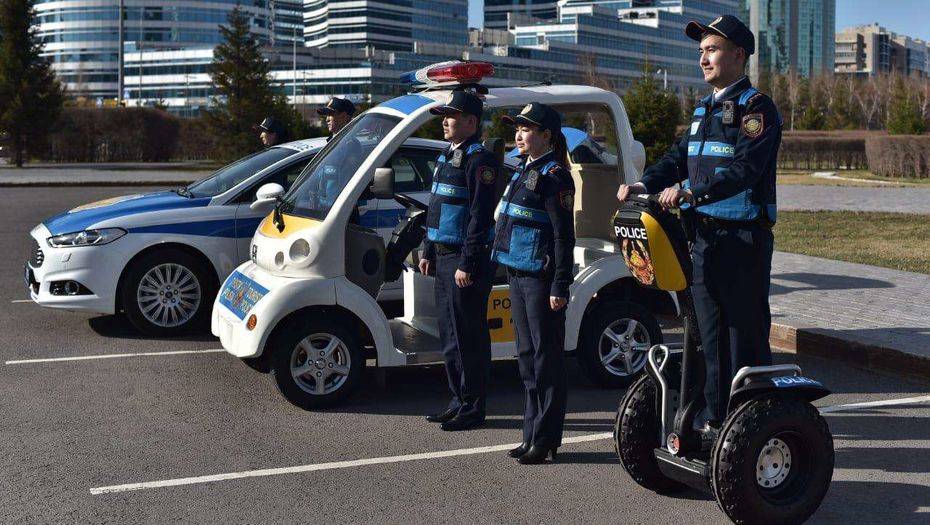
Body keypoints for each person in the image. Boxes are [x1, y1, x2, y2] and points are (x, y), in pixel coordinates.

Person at [616, 14, 782, 444]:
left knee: (742, 336)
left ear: (738, 55)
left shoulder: (756, 108)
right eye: (701, 51)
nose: (703, 58)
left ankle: (752, 425)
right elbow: (678, 157)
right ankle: (714, 421)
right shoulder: (704, 108)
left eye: (712, 50)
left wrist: (691, 192)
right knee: (708, 334)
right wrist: (644, 184)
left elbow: (745, 169)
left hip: (742, 240)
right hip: (703, 239)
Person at [492, 102, 575, 464]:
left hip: (541, 279)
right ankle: (530, 435)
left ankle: (545, 439)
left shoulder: (555, 175)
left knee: (546, 361)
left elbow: (563, 236)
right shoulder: (524, 169)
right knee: (527, 359)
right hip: (518, 273)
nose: (519, 135)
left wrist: (560, 284)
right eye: (518, 128)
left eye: (526, 129)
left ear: (547, 136)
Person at [419, 90, 501, 431]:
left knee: (468, 335)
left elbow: (479, 216)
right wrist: (428, 249)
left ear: (470, 122)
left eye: (451, 116)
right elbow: (437, 206)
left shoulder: (479, 160)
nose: (445, 122)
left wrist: (467, 262)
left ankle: (473, 406)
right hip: (444, 257)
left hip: (465, 260)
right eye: (444, 116)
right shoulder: (447, 155)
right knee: (450, 334)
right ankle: (458, 400)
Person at [313, 98, 361, 208]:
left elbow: (350, 182)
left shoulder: (351, 146)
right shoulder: (331, 143)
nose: (327, 119)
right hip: (322, 208)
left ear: (344, 116)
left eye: (330, 114)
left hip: (340, 210)